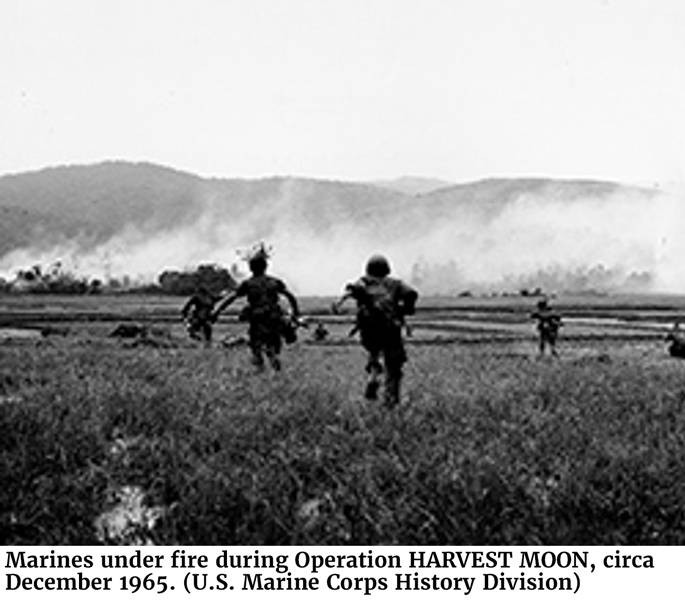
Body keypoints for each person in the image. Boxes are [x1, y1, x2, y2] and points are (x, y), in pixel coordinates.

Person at [333, 254, 418, 407]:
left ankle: (373, 376)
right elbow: (411, 293)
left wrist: (338, 303)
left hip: (369, 329)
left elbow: (351, 291)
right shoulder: (395, 284)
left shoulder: (364, 282)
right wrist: (406, 309)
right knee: (393, 365)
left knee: (374, 351)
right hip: (391, 327)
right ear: (387, 269)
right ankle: (390, 400)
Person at [212, 248, 300, 371]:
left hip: (258, 319)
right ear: (265, 267)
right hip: (274, 318)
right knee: (272, 349)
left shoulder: (248, 284)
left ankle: (262, 370)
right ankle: (274, 371)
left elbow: (231, 298)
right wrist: (295, 314)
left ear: (251, 268)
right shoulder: (274, 282)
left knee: (256, 347)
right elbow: (291, 297)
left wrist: (217, 312)